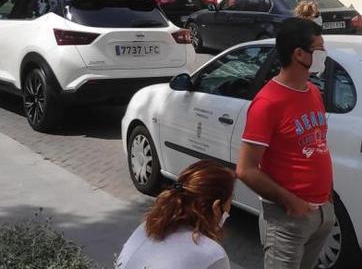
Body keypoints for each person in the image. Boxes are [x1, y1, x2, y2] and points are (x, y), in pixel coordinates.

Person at [236, 18, 335, 269]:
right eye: (319, 49)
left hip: (321, 213)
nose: (324, 55)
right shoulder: (268, 103)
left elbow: (318, 145)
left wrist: (328, 198)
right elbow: (245, 169)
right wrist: (290, 201)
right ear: (299, 54)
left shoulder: (312, 91)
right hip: (287, 220)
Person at [115, 160, 234, 269]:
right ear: (216, 207)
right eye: (229, 205)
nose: (228, 212)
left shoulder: (146, 227)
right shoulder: (213, 256)